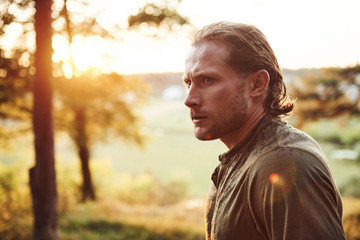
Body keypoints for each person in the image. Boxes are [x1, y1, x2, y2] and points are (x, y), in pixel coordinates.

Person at [182, 21, 345, 240]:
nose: (189, 99)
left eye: (207, 80)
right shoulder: (244, 156)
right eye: (188, 82)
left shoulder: (284, 162)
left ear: (257, 84)